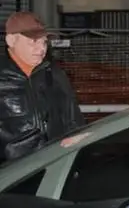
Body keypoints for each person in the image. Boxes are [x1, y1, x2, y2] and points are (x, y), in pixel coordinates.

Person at [0, 12, 84, 164]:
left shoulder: (55, 75)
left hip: (54, 168)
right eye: (33, 42)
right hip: (13, 176)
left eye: (44, 42)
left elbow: (73, 119)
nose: (41, 49)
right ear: (11, 40)